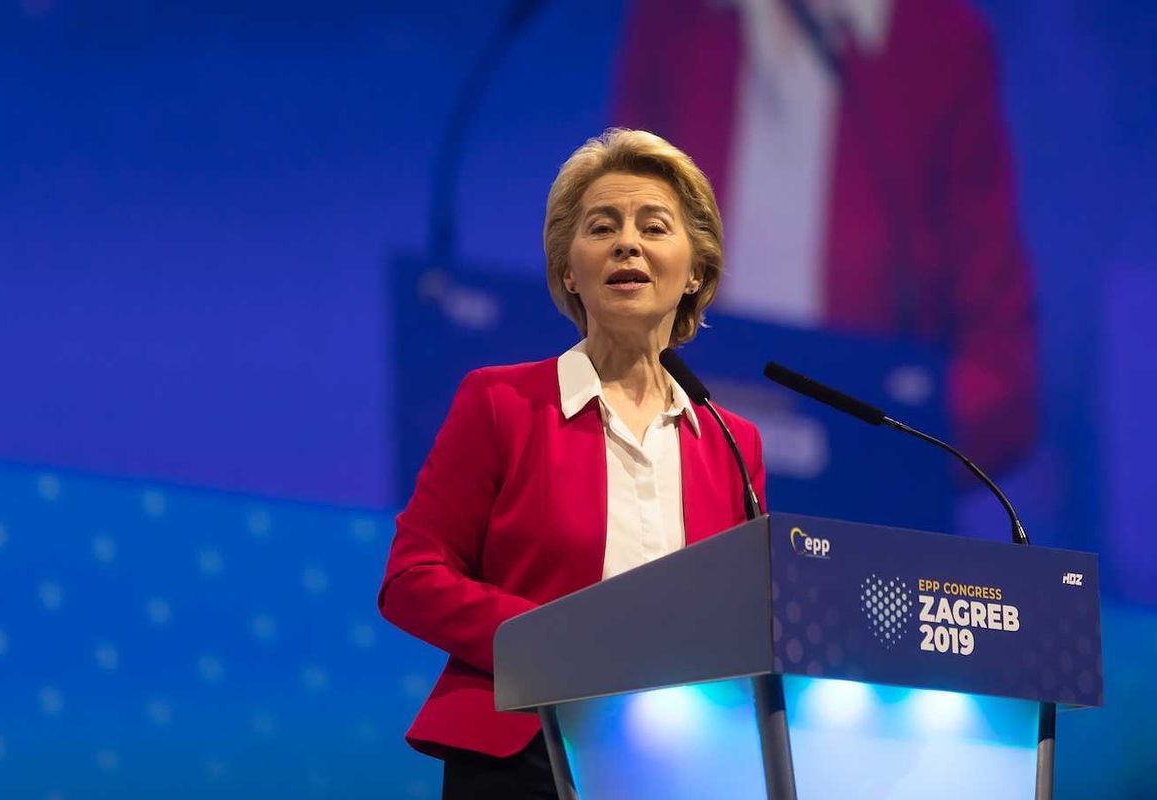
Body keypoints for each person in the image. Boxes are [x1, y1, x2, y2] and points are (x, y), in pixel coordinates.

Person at [378, 129, 768, 799]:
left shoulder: (732, 442)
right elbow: (412, 578)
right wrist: (551, 644)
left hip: (684, 765)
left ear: (696, 270)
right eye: (601, 227)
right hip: (526, 753)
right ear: (568, 269)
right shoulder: (499, 403)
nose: (627, 243)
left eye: (654, 226)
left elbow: (740, 617)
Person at [614, 0, 1038, 477]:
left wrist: (871, 455)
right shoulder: (674, 21)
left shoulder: (942, 42)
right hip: (676, 478)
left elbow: (1002, 379)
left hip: (857, 507)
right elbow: (617, 292)